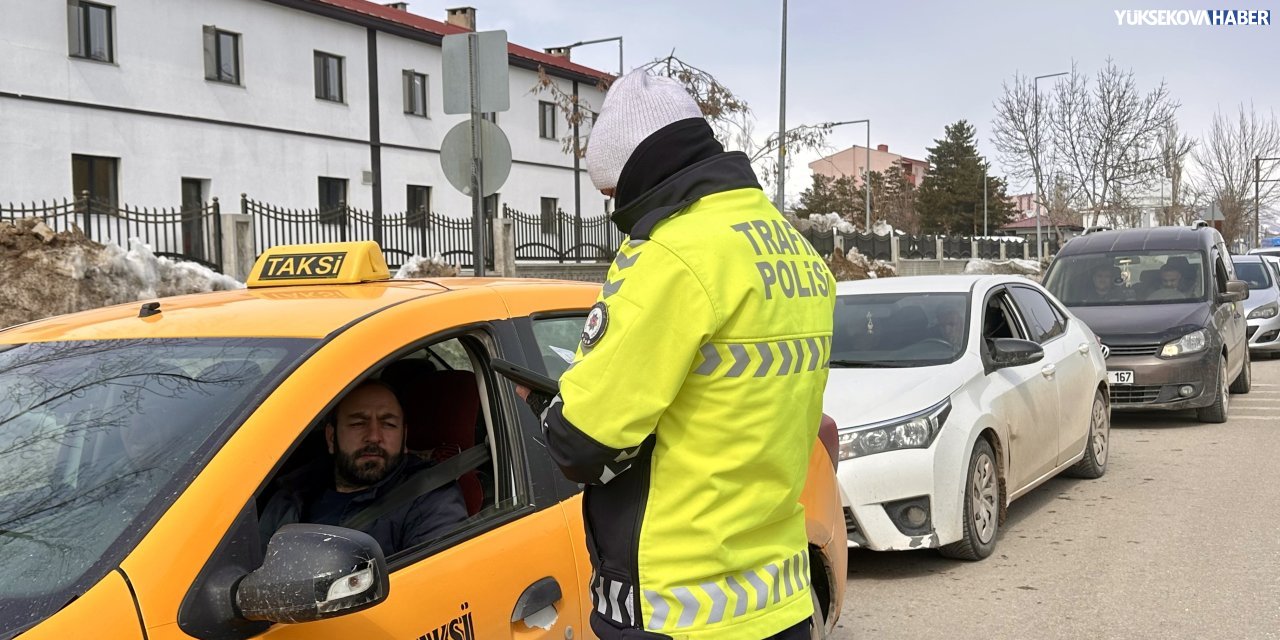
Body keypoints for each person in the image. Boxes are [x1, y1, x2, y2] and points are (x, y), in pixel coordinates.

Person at [520, 70, 835, 640]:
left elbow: (583, 442)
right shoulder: (796, 251)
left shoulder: (672, 256)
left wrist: (545, 408)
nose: (613, 208)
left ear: (635, 171)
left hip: (676, 608)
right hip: (780, 599)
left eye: (611, 194)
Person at [258, 380, 467, 555]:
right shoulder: (292, 494)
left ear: (404, 438)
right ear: (331, 438)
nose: (374, 436)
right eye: (358, 423)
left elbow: (435, 581)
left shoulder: (430, 497)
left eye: (388, 424)